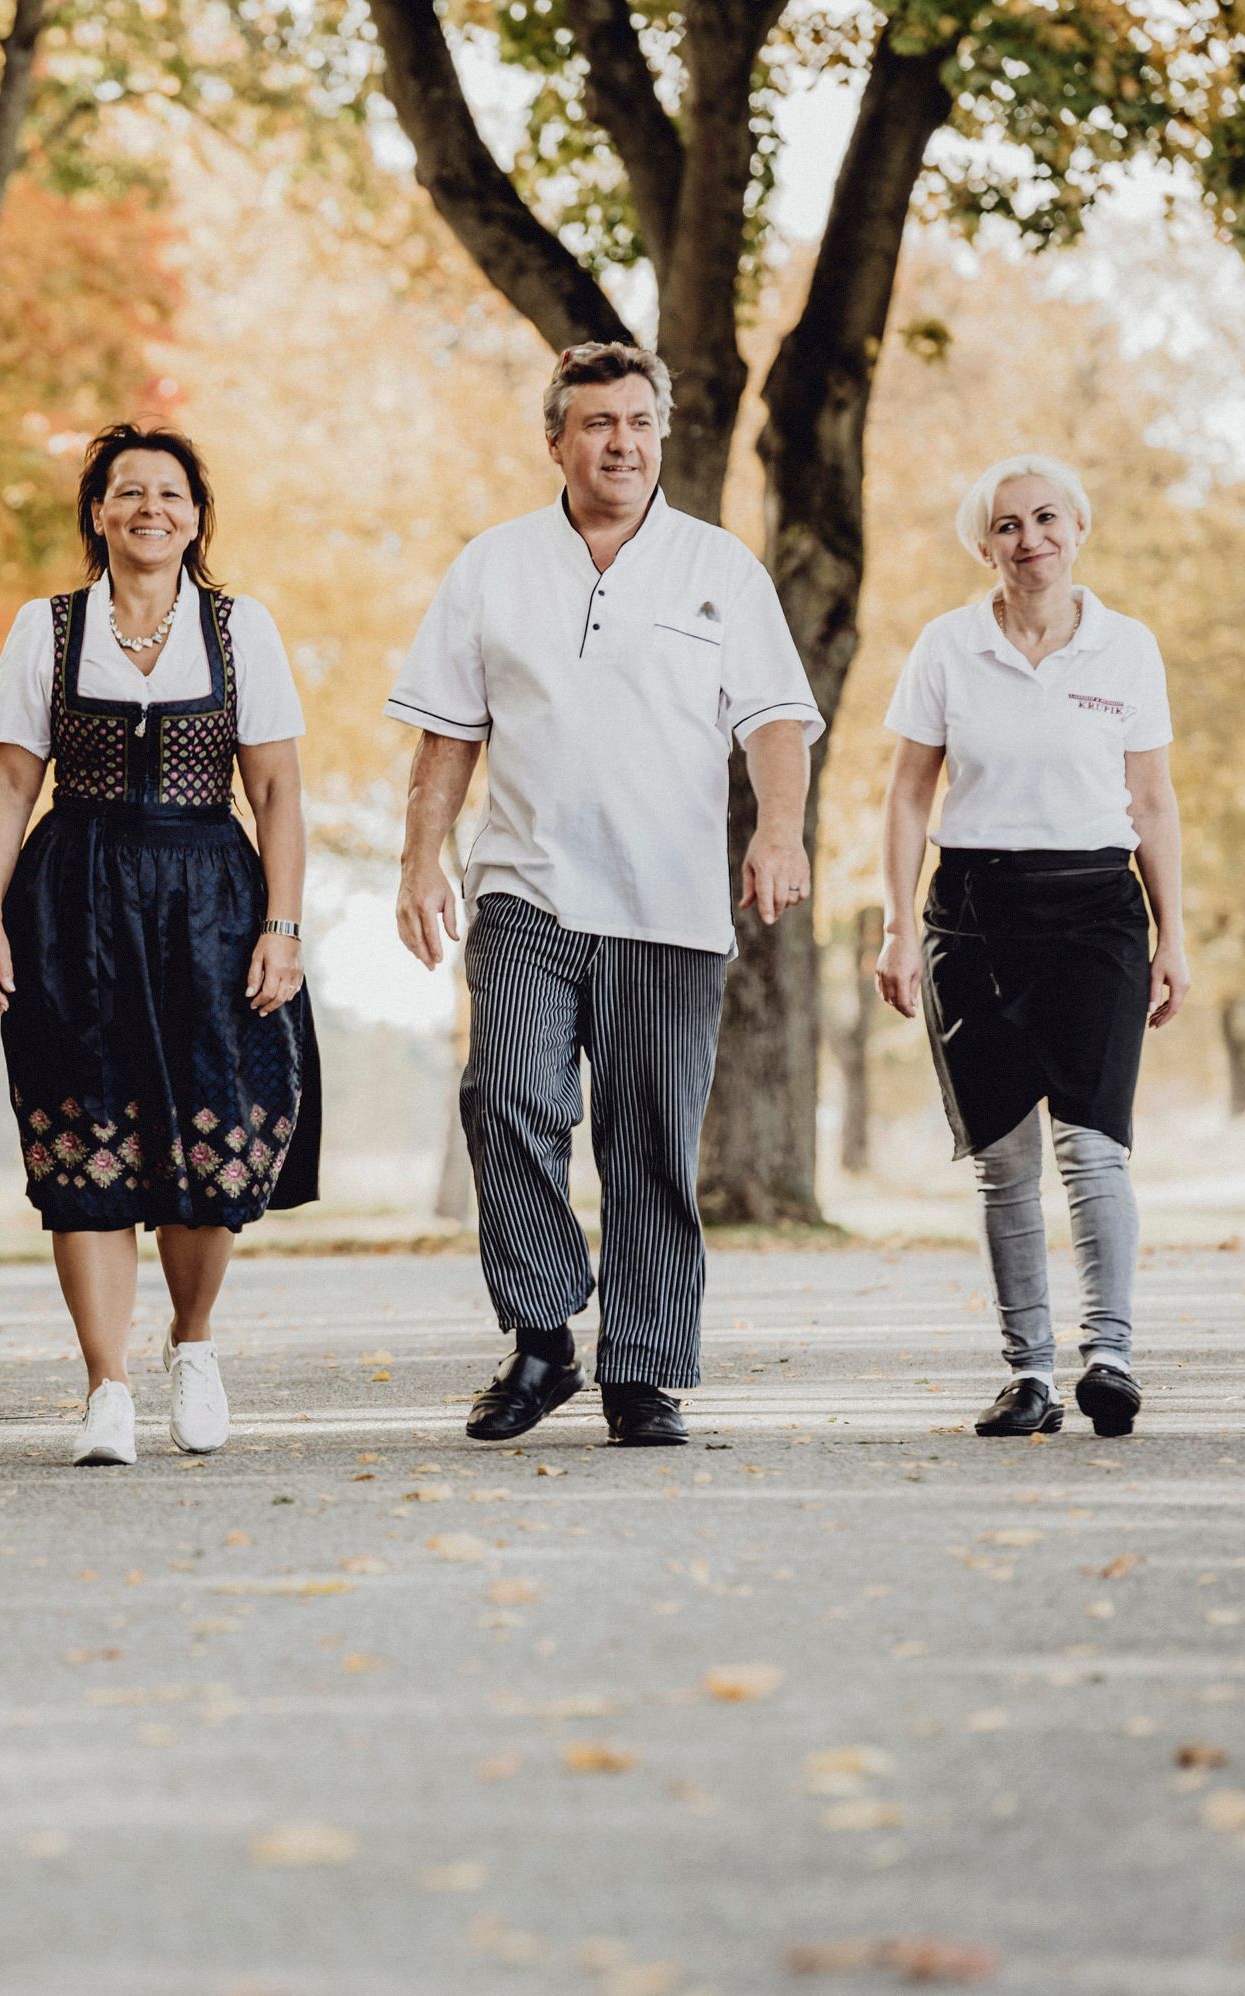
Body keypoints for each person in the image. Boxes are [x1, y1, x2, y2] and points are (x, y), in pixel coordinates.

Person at [389, 343, 822, 1449]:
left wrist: (779, 829)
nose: (619, 441)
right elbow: (449, 729)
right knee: (507, 1099)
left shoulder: (720, 567)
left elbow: (775, 716)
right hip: (527, 890)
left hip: (670, 906)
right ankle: (542, 1336)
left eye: (637, 421)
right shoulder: (492, 566)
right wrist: (418, 858)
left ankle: (644, 1370)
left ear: (661, 435)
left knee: (652, 1140)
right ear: (556, 440)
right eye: (595, 423)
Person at [0, 424, 318, 1467]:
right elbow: (5, 783)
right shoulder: (48, 627)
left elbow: (280, 788)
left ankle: (194, 1344)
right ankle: (105, 1386)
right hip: (73, 899)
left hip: (210, 895)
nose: (149, 509)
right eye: (128, 493)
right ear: (99, 514)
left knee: (210, 1132)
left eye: (170, 494)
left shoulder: (240, 627)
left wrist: (283, 924)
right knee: (85, 1134)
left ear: (197, 517)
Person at [873, 453, 1187, 1441]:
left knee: (1094, 1149)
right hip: (973, 913)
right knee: (1003, 1160)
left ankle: (1111, 1357)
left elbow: (1151, 800)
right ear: (983, 545)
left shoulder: (1128, 649)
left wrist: (1173, 931)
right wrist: (893, 924)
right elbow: (908, 795)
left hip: (1097, 910)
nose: (1030, 538)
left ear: (1078, 528)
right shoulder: (945, 647)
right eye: (1007, 525)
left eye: (1047, 518)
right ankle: (1028, 1375)